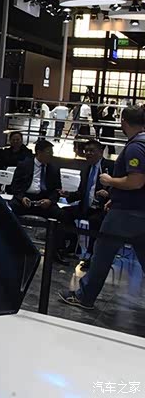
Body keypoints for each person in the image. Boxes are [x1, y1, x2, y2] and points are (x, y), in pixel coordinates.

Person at [59, 106, 145, 310]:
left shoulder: (135, 147)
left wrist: (110, 181)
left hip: (126, 214)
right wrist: (115, 197)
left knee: (102, 254)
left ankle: (84, 296)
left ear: (123, 121)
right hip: (137, 211)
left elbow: (136, 181)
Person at [7, 139, 74, 264]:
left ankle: (57, 250)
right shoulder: (24, 165)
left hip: (44, 201)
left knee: (62, 215)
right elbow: (14, 187)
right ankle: (10, 244)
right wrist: (22, 197)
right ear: (39, 152)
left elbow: (56, 190)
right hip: (25, 199)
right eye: (49, 152)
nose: (51, 155)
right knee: (9, 210)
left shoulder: (53, 169)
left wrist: (50, 200)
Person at [61, 139, 113, 266]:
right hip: (85, 206)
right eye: (86, 151)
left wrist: (109, 194)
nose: (88, 153)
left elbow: (118, 187)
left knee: (95, 221)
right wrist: (69, 195)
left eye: (91, 151)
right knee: (63, 213)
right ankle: (73, 245)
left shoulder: (110, 167)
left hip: (101, 208)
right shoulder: (86, 168)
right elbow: (82, 192)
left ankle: (91, 255)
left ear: (100, 152)